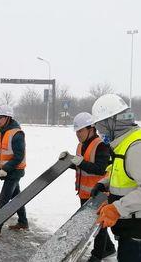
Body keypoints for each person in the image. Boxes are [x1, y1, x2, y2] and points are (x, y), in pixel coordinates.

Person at [90, 94, 141, 262]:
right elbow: (121, 171)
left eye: (101, 127)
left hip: (137, 232)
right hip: (129, 227)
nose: (99, 132)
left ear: (112, 123)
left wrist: (116, 208)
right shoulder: (124, 142)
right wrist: (104, 184)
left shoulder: (135, 147)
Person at [59, 112, 115, 261]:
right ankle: (108, 249)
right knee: (96, 224)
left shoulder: (101, 145)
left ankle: (97, 256)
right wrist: (69, 160)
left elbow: (100, 168)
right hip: (85, 193)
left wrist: (80, 162)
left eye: (80, 131)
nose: (78, 134)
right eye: (76, 131)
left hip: (99, 193)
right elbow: (81, 167)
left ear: (91, 128)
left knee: (98, 226)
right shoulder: (81, 145)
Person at [0, 105, 28, 237]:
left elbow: (19, 156)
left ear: (8, 118)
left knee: (3, 198)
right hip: (8, 171)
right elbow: (0, 152)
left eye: (1, 117)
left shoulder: (17, 134)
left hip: (14, 171)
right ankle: (23, 222)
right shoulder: (2, 132)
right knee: (17, 198)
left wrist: (5, 168)